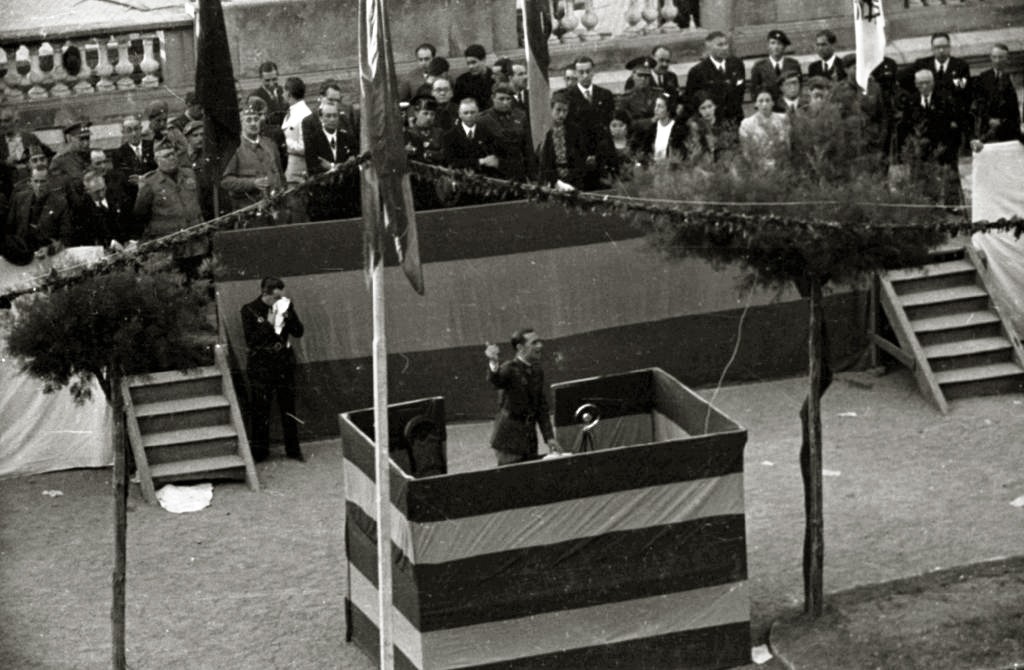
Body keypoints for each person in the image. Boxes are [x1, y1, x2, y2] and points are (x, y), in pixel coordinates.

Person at [240, 276, 305, 463]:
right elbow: (251, 340)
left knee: (288, 408)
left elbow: (299, 332)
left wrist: (288, 316)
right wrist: (269, 323)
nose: (279, 301)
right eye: (276, 298)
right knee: (260, 411)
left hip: (283, 364)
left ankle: (293, 450)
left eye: (281, 297)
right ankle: (260, 453)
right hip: (261, 366)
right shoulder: (249, 310)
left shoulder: (286, 307)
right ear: (265, 294)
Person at [484, 328, 561, 466]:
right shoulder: (509, 368)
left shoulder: (537, 370)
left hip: (529, 437)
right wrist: (493, 362)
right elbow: (496, 381)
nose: (540, 345)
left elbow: (541, 407)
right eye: (534, 343)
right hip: (509, 438)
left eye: (539, 342)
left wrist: (549, 437)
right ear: (520, 347)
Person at [133, 139, 207, 273]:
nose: (172, 158)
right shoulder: (150, 183)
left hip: (196, 243)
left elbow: (200, 200)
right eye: (167, 156)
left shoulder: (189, 174)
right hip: (170, 247)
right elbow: (140, 214)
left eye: (173, 154)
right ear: (157, 160)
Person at [897, 69, 962, 205]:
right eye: (921, 83)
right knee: (922, 179)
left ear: (933, 83)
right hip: (921, 148)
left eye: (927, 83)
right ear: (916, 84)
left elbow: (954, 124)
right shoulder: (911, 101)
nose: (924, 86)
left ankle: (953, 206)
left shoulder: (945, 99)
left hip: (943, 146)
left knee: (949, 177)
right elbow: (906, 125)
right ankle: (927, 205)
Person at [221, 104, 285, 219]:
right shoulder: (234, 148)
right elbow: (225, 180)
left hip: (276, 205)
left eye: (256, 119)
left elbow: (280, 172)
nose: (253, 123)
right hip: (249, 209)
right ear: (240, 124)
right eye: (248, 120)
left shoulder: (270, 144)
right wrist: (252, 183)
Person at [565, 56, 616, 189]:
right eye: (581, 72)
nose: (585, 75)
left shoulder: (605, 95)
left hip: (602, 155)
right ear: (576, 74)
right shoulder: (567, 96)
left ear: (593, 72)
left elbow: (608, 125)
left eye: (588, 71)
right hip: (579, 156)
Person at [303, 99, 359, 220]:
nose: (332, 119)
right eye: (328, 116)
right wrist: (340, 166)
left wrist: (331, 166)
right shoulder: (312, 140)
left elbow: (354, 162)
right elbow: (314, 167)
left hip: (346, 198)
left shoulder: (347, 138)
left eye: (335, 116)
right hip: (324, 199)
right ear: (321, 118)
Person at [5, 165, 70, 262]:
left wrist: (49, 249)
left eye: (43, 181)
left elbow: (65, 236)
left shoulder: (60, 203)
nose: (39, 186)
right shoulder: (19, 199)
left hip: (47, 257)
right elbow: (9, 229)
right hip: (20, 255)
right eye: (36, 181)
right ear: (31, 181)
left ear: (50, 181)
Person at [682, 31, 747, 126]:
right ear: (709, 48)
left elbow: (740, 91)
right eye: (720, 45)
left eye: (726, 44)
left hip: (735, 120)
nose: (725, 48)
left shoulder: (737, 64)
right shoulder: (698, 71)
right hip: (712, 124)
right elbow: (690, 100)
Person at [477, 83, 534, 182]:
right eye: (501, 99)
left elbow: (527, 147)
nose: (505, 102)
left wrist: (532, 174)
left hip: (517, 170)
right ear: (493, 98)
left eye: (508, 99)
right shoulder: (483, 120)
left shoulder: (520, 116)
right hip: (496, 172)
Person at [971, 43, 1021, 149]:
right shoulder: (983, 78)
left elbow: (1014, 109)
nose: (997, 61)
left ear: (1007, 59)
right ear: (990, 58)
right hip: (987, 130)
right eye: (994, 57)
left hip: (1007, 130)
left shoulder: (1009, 78)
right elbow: (978, 103)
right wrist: (989, 119)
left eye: (1001, 57)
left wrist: (1002, 122)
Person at [537, 93, 588, 189]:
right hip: (554, 181)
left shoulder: (575, 131)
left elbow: (581, 157)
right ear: (551, 110)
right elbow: (545, 162)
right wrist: (554, 180)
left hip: (573, 180)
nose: (561, 114)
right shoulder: (547, 133)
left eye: (565, 111)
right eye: (558, 110)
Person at [441, 97, 501, 177]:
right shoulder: (450, 136)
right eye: (466, 113)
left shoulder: (486, 132)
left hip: (484, 176)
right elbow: (450, 161)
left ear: (478, 113)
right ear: (459, 114)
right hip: (459, 177)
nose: (469, 115)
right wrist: (480, 161)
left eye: (472, 112)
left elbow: (493, 156)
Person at [280, 76, 312, 223]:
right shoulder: (292, 112)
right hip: (290, 171)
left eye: (283, 91)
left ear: (289, 93)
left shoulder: (304, 114)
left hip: (299, 172)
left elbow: (307, 146)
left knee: (298, 212)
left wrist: (286, 144)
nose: (282, 95)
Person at [739, 89, 790, 170]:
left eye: (767, 100)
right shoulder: (747, 124)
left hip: (782, 165)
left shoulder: (783, 119)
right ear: (756, 104)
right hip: (759, 167)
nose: (764, 104)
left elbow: (788, 144)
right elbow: (746, 151)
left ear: (772, 103)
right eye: (761, 101)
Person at [685, 89, 736, 164]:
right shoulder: (694, 126)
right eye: (703, 108)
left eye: (710, 106)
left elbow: (733, 145)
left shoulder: (725, 123)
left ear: (715, 106)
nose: (707, 111)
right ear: (698, 110)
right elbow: (694, 152)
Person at [636, 93, 688, 165]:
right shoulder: (652, 128)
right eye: (656, 105)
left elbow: (681, 154)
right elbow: (645, 151)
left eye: (660, 106)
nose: (656, 109)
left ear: (668, 109)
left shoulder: (678, 129)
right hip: (653, 167)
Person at [750, 30, 801, 101]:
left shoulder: (793, 65)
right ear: (768, 46)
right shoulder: (759, 67)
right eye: (773, 43)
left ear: (784, 47)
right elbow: (754, 93)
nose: (776, 47)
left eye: (779, 43)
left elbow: (799, 88)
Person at [112, 115, 156, 184]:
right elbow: (123, 178)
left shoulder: (153, 146)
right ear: (123, 132)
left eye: (136, 129)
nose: (134, 134)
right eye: (129, 130)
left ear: (141, 129)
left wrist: (142, 179)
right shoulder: (119, 153)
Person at [49, 118, 92, 188]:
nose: (86, 143)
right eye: (81, 139)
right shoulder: (60, 160)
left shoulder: (90, 155)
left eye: (87, 138)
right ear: (69, 138)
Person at [618, 57, 661, 121]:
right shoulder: (626, 98)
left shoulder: (659, 94)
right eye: (640, 75)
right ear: (633, 76)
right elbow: (624, 121)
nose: (643, 79)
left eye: (647, 76)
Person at [454, 44, 495, 111]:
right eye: (468, 63)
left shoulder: (495, 78)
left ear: (483, 60)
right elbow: (457, 104)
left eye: (474, 62)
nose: (471, 66)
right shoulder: (462, 81)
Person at [249, 61, 289, 126]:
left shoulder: (285, 92)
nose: (271, 84)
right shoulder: (254, 97)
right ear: (260, 79)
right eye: (267, 80)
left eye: (274, 79)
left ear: (278, 76)